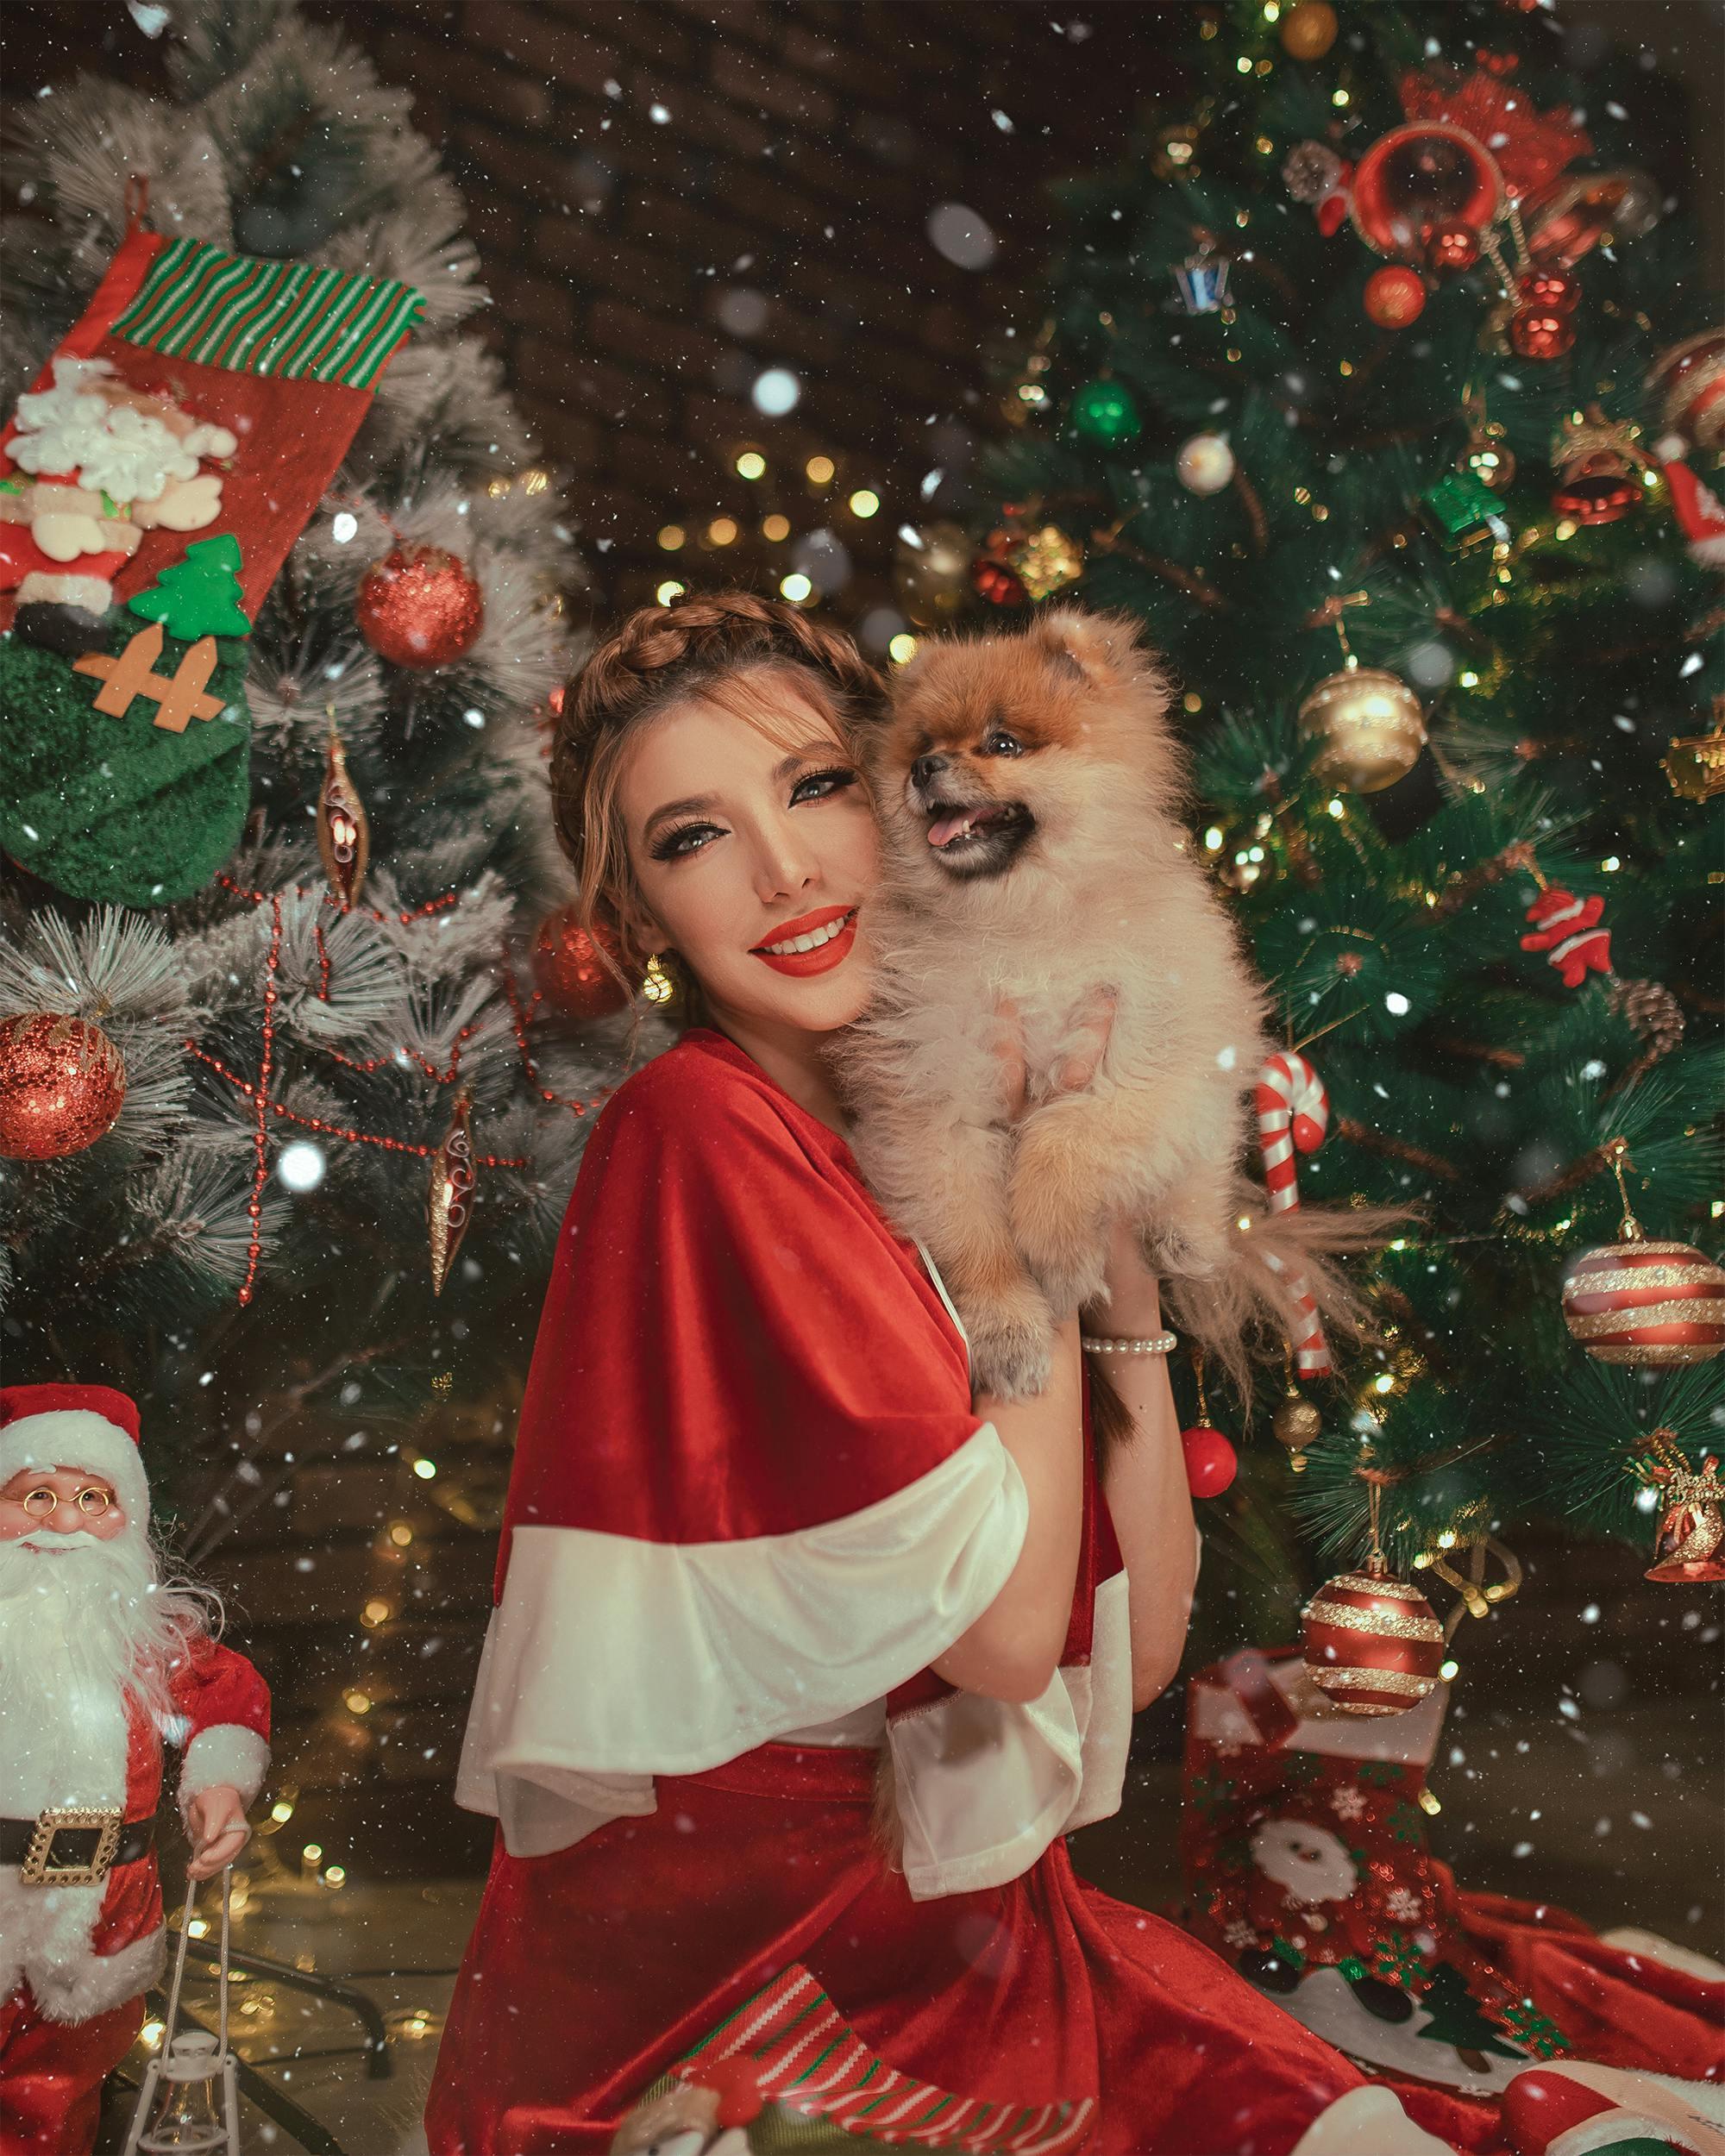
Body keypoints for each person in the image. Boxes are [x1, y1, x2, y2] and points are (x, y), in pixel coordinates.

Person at [424, 594, 1459, 2156]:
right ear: (638, 922)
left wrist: (1108, 1259)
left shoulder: (926, 1110)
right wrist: (1026, 1235)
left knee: (1354, 2122)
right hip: (747, 2000)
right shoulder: (703, 1135)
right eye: (695, 838)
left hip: (954, 1934)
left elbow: (1153, 1638)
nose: (785, 871)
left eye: (820, 787)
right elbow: (1004, 1641)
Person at [0, 1381, 271, 2156]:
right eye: (36, 1495)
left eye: (93, 1497)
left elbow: (228, 1696)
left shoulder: (148, 1638)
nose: (63, 1521)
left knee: (51, 2103)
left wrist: (217, 1784)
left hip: (100, 1907)